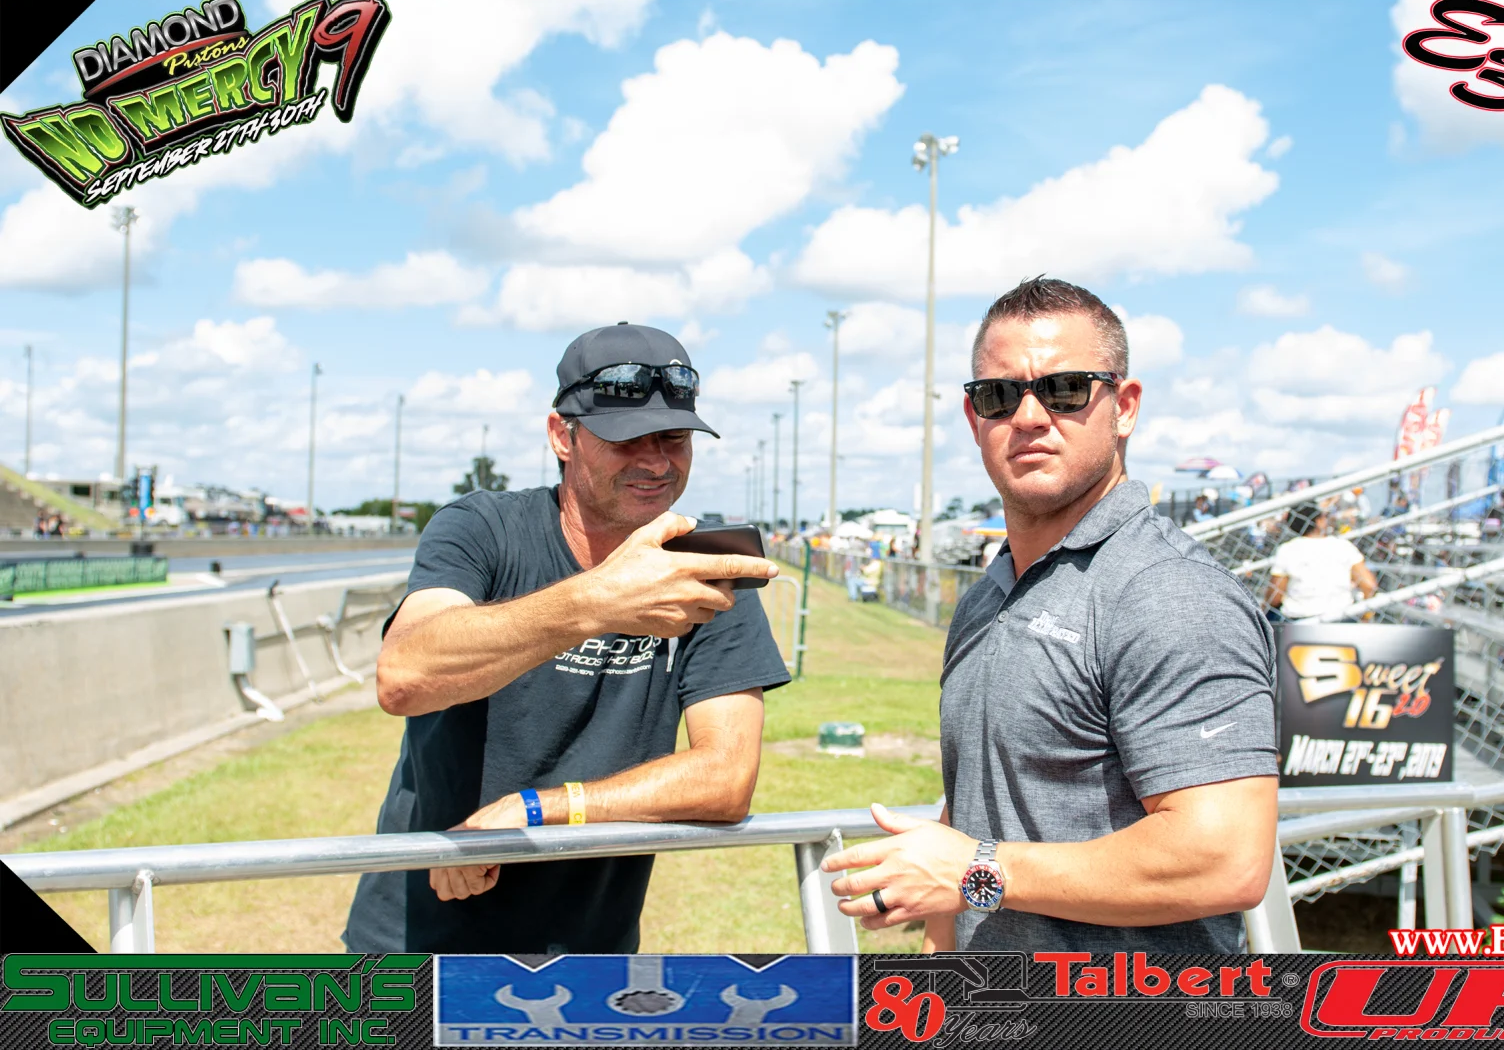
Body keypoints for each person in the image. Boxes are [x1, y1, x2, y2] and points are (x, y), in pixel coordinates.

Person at [823, 277, 1278, 953]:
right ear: (974, 417)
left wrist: (976, 872)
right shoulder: (989, 594)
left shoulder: (1170, 593)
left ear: (1125, 407)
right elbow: (974, 811)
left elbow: (1223, 859)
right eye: (999, 395)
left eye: (1065, 390)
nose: (1029, 416)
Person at [344, 322, 790, 954]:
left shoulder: (704, 568)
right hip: (417, 938)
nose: (656, 461)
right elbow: (404, 677)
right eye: (626, 438)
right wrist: (598, 600)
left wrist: (538, 809)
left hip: (593, 955)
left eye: (674, 438)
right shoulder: (483, 528)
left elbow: (726, 778)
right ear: (562, 435)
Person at [1264, 501, 1378, 621]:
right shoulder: (1343, 546)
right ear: (1319, 521)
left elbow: (1275, 596)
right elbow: (1369, 586)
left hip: (1298, 619)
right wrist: (1365, 617)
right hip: (1340, 617)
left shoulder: (1287, 549)